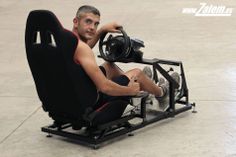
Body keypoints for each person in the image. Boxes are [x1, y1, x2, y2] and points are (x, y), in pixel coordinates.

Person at [72, 5, 179, 111]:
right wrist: (130, 90)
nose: (92, 28)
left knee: (109, 66)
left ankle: (144, 85)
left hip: (75, 94)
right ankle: (162, 93)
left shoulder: (67, 41)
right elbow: (104, 87)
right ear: (76, 21)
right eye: (88, 22)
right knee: (137, 73)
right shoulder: (83, 50)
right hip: (93, 100)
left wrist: (102, 30)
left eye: (96, 24)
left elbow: (84, 49)